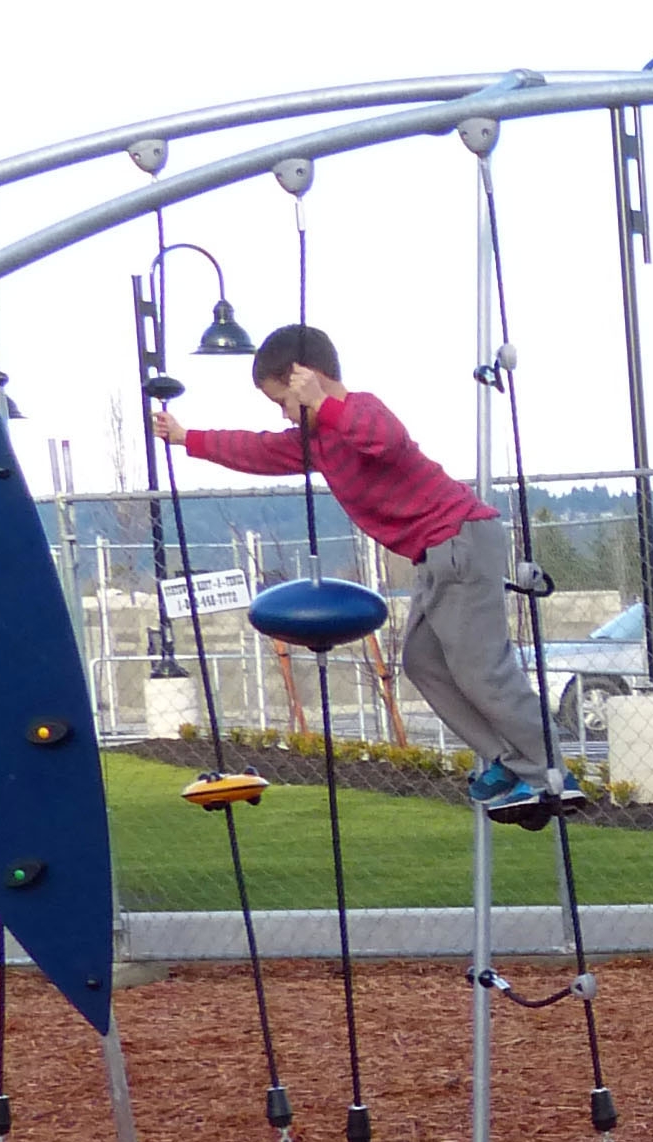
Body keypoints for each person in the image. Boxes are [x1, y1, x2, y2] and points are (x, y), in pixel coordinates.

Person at [152, 324, 567, 817]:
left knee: (482, 670)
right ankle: (507, 760)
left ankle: (548, 773)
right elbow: (257, 450)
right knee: (423, 662)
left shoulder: (360, 410)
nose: (283, 414)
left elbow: (384, 442)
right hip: (436, 554)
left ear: (307, 378)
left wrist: (323, 403)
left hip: (461, 541)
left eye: (283, 401)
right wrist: (187, 438)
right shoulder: (319, 439)